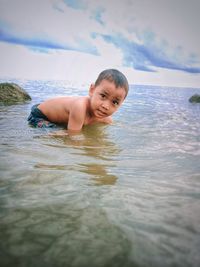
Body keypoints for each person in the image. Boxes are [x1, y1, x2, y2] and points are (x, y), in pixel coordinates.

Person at [28, 69, 129, 134]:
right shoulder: (80, 107)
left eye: (115, 102)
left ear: (120, 105)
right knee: (60, 134)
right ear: (92, 90)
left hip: (53, 114)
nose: (106, 106)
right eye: (103, 96)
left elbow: (115, 124)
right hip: (39, 115)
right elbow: (74, 138)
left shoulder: (105, 118)